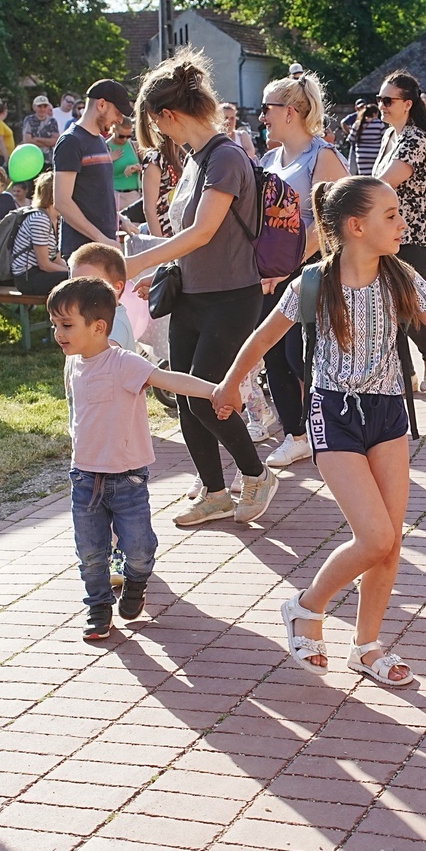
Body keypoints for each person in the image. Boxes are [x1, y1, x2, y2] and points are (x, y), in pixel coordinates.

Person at [212, 176, 426, 687]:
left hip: (389, 414)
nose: (403, 223)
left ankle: (367, 646)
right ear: (356, 226)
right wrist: (229, 386)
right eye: (391, 215)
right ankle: (306, 606)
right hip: (334, 414)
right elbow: (261, 339)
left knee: (389, 545)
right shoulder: (313, 284)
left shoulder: (402, 278)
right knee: (374, 537)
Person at [123, 50, 280, 527]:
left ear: (168, 114)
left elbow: (203, 231)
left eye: (155, 122)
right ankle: (214, 493)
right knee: (184, 397)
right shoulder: (194, 159)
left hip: (231, 297)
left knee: (203, 395)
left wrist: (134, 263)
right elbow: (190, 237)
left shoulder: (225, 156)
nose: (158, 132)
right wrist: (162, 271)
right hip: (191, 295)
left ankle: (256, 474)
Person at [51, 277, 218, 641]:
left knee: (139, 548)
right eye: (55, 326)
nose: (58, 334)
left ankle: (137, 581)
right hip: (84, 479)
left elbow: (169, 380)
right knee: (90, 553)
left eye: (66, 325)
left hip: (126, 479)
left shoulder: (122, 363)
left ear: (98, 327)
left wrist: (215, 392)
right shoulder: (75, 363)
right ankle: (98, 608)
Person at [255, 71, 347, 471]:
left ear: (290, 112)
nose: (262, 117)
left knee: (301, 355)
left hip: (311, 270)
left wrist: (287, 266)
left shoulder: (322, 157)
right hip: (274, 271)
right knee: (272, 350)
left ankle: (329, 427)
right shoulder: (269, 160)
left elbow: (326, 224)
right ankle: (296, 435)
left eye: (267, 108)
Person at [372, 71, 426, 392]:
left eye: (387, 100)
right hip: (391, 232)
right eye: (379, 99)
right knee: (390, 307)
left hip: (419, 233)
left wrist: (347, 192)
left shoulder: (415, 138)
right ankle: (406, 375)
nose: (381, 105)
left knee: (405, 305)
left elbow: (384, 182)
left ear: (407, 104)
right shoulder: (390, 136)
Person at [53, 80, 131, 258]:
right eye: (118, 112)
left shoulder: (100, 141)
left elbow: (96, 194)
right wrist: (100, 238)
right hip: (83, 252)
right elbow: (62, 202)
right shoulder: (71, 141)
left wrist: (119, 220)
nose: (120, 120)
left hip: (104, 246)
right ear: (101, 104)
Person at [10, 172, 70, 295]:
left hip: (42, 272)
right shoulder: (39, 219)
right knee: (74, 282)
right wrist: (71, 274)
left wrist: (73, 270)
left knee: (79, 279)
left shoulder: (57, 218)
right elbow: (44, 265)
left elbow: (56, 259)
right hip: (27, 277)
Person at [70, 242, 136, 351]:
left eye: (91, 285)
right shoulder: (95, 315)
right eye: (75, 284)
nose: (80, 292)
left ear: (117, 287)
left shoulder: (115, 324)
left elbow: (104, 357)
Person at [346, 100, 387, 177]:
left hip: (361, 155)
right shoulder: (379, 123)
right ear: (375, 113)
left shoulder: (357, 124)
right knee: (375, 176)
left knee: (364, 178)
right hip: (376, 154)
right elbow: (385, 139)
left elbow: (351, 139)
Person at [110, 117, 142, 212]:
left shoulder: (133, 145)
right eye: (121, 136)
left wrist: (136, 167)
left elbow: (147, 166)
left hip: (135, 195)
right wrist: (107, 159)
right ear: (114, 130)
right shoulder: (105, 147)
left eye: (128, 136)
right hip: (116, 196)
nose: (124, 139)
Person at [23, 95, 62, 164]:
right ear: (34, 107)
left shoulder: (52, 121)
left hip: (48, 159)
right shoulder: (29, 120)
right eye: (39, 106)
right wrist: (48, 143)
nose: (42, 109)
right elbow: (27, 140)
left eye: (45, 106)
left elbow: (55, 141)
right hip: (32, 159)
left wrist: (37, 139)